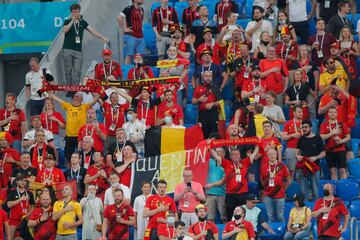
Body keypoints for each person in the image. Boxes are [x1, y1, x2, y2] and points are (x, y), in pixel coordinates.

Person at [62, 3, 108, 86]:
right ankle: (69, 88)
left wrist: (102, 37)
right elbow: (65, 30)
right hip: (67, 49)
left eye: (77, 12)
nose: (76, 14)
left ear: (80, 12)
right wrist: (72, 21)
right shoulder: (67, 21)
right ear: (71, 13)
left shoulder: (82, 22)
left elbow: (92, 30)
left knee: (77, 71)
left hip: (78, 50)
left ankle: (75, 89)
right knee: (68, 70)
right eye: (74, 12)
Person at [47, 91, 99, 163]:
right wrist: (49, 92)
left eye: (78, 96)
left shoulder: (84, 107)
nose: (76, 97)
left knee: (82, 155)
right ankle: (70, 172)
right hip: (69, 135)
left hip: (81, 136)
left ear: (81, 99)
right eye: (75, 96)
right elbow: (56, 99)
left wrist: (94, 90)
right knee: (68, 156)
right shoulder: (68, 106)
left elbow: (96, 99)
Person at [211, 147, 256, 221]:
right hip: (230, 195)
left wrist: (257, 145)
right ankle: (231, 230)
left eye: (237, 154)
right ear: (231, 156)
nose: (235, 156)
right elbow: (216, 156)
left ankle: (243, 230)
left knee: (243, 215)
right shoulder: (226, 163)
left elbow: (254, 155)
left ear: (240, 155)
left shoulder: (244, 162)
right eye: (233, 154)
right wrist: (211, 147)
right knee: (230, 215)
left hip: (242, 194)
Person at [296, 120, 325, 201]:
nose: (304, 129)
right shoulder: (301, 139)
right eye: (303, 127)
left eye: (306, 127)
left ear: (311, 127)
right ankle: (304, 208)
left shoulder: (318, 138)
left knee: (315, 191)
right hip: (303, 167)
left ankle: (316, 207)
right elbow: (297, 152)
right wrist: (298, 156)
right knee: (303, 191)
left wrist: (315, 158)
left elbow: (323, 153)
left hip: (315, 168)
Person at [260, 148, 291, 223]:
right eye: (270, 154)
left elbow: (288, 180)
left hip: (280, 194)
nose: (272, 156)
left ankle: (282, 233)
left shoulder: (282, 166)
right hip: (268, 195)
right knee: (270, 217)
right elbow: (262, 180)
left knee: (280, 216)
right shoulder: (264, 166)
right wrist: (267, 188)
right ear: (267, 156)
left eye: (273, 154)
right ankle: (271, 233)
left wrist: (283, 189)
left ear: (276, 155)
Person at [320, 107, 351, 180]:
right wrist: (332, 133)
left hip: (341, 149)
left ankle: (343, 189)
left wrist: (341, 141)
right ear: (328, 114)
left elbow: (348, 137)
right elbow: (322, 137)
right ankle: (334, 190)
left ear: (337, 114)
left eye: (334, 112)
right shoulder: (324, 124)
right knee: (332, 171)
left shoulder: (341, 123)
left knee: (342, 170)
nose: (332, 114)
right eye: (331, 112)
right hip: (329, 150)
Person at [192, 70, 222, 138]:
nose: (208, 78)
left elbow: (221, 102)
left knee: (214, 135)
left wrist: (213, 104)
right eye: (206, 76)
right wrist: (199, 99)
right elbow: (193, 101)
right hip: (202, 115)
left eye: (210, 76)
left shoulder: (216, 88)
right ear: (203, 77)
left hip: (213, 114)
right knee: (203, 135)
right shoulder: (198, 88)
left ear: (212, 77)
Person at [7, 173, 35, 240]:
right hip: (14, 220)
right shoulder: (12, 192)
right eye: (21, 180)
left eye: (24, 180)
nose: (23, 182)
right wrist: (21, 199)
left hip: (25, 220)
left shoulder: (29, 193)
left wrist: (28, 214)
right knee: (11, 238)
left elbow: (33, 206)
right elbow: (9, 205)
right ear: (17, 181)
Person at [118, 0, 145, 65]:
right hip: (131, 36)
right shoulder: (129, 9)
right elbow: (119, 17)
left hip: (140, 37)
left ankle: (138, 73)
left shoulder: (141, 9)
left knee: (140, 56)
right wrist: (124, 29)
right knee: (129, 56)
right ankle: (127, 73)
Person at [204, 147, 226, 223]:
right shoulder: (210, 162)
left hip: (222, 194)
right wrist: (207, 145)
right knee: (210, 218)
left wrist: (211, 185)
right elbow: (202, 156)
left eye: (220, 151)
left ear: (224, 154)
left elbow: (223, 181)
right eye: (216, 151)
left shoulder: (227, 164)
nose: (217, 153)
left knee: (224, 217)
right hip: (210, 194)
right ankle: (211, 234)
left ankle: (226, 233)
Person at [282, 105, 303, 180]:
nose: (301, 113)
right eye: (299, 112)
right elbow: (283, 137)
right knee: (291, 172)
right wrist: (293, 135)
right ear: (294, 113)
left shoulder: (304, 124)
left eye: (302, 112)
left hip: (302, 150)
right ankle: (290, 189)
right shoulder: (288, 123)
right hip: (291, 149)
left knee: (301, 173)